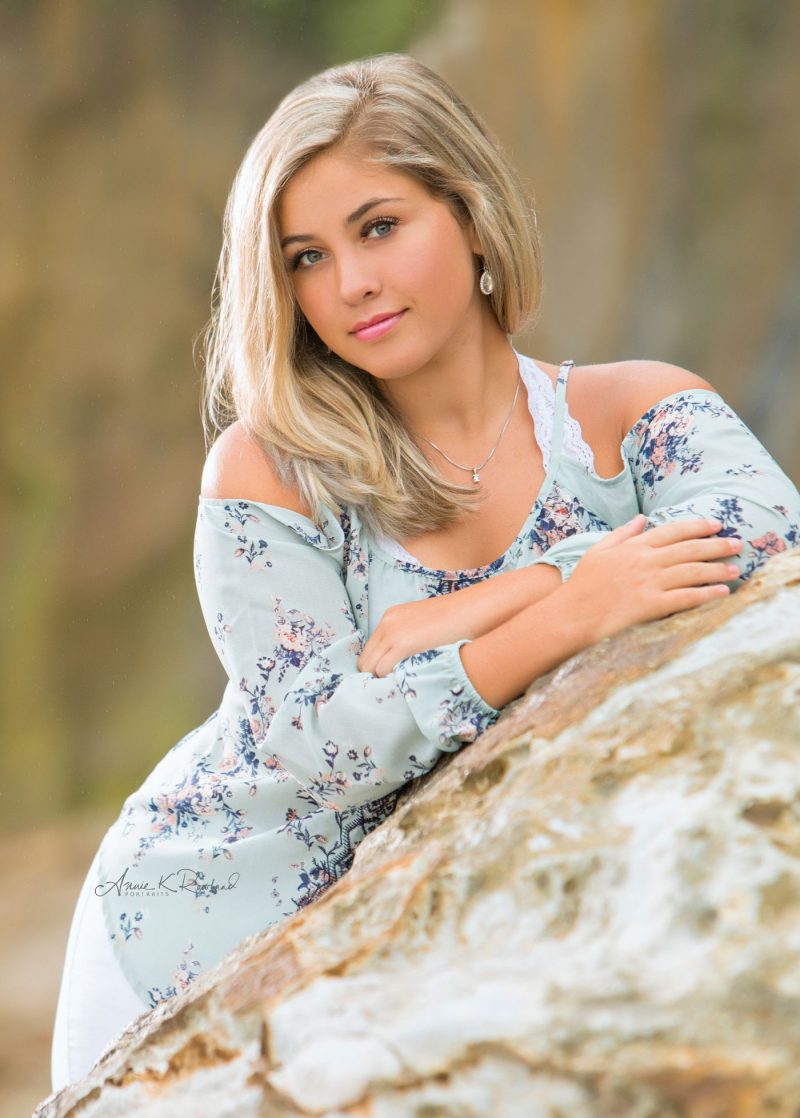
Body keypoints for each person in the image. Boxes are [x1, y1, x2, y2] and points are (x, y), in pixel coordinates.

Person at [50, 51, 800, 1092]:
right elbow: (324, 740)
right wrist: (560, 616)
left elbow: (762, 535)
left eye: (379, 227)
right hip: (191, 928)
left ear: (472, 215)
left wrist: (504, 595)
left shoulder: (630, 411)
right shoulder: (269, 470)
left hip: (441, 950)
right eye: (305, 257)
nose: (349, 284)